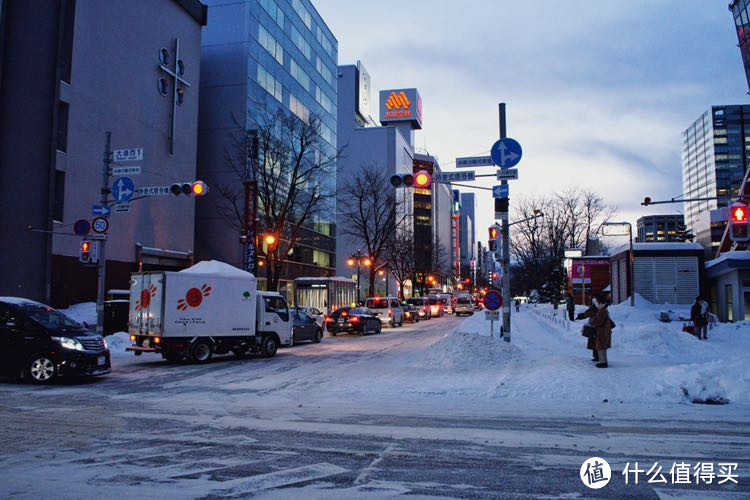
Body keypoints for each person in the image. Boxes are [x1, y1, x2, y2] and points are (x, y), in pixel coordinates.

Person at [590, 294, 612, 368]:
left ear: (600, 302)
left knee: (601, 346)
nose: (596, 303)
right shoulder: (602, 309)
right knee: (601, 346)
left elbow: (599, 321)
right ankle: (602, 361)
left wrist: (592, 321)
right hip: (602, 331)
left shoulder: (602, 310)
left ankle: (603, 362)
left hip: (603, 332)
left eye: (596, 301)